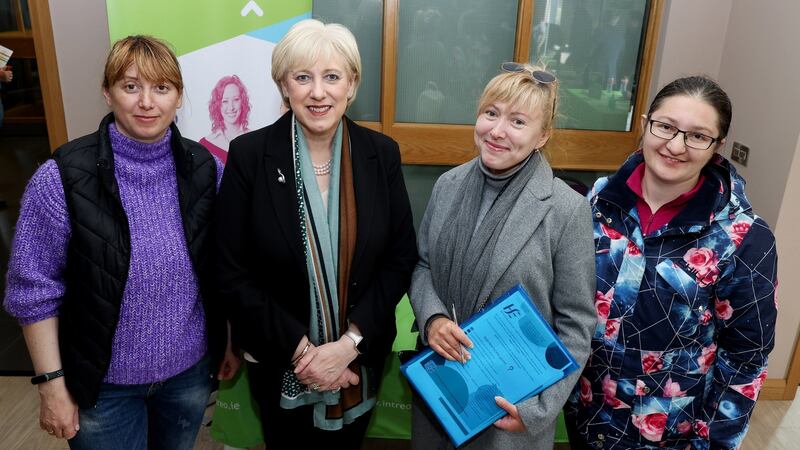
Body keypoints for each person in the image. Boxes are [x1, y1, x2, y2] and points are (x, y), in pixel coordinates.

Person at [3, 35, 239, 449]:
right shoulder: (61, 178)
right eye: (131, 86)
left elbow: (224, 267)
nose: (147, 102)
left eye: (161, 88)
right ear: (107, 92)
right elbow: (33, 291)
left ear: (178, 97)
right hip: (102, 387)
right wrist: (51, 384)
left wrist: (230, 342)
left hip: (187, 375)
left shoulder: (206, 170)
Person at [214, 19, 418, 448]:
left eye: (332, 77)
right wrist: (305, 355)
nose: (318, 92)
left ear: (352, 84)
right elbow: (231, 271)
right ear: (283, 85)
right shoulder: (250, 156)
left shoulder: (381, 156)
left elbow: (400, 259)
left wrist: (347, 346)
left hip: (358, 363)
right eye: (303, 77)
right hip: (278, 362)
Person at [564, 76, 778, 449]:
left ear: (717, 146)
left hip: (671, 435)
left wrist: (713, 443)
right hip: (587, 417)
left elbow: (746, 360)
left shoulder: (744, 237)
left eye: (697, 136)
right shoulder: (599, 200)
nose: (676, 146)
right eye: (665, 127)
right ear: (646, 124)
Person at [408, 62, 596, 449]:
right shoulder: (448, 185)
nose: (496, 130)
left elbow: (576, 324)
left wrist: (536, 410)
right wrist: (433, 319)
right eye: (490, 113)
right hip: (444, 388)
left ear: (542, 136)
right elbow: (424, 265)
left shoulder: (565, 209)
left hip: (510, 408)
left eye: (517, 121)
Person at [200, 74, 251, 164]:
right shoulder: (205, 145)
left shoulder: (254, 140)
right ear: (217, 105)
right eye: (225, 101)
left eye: (236, 99)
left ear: (242, 102)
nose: (231, 107)